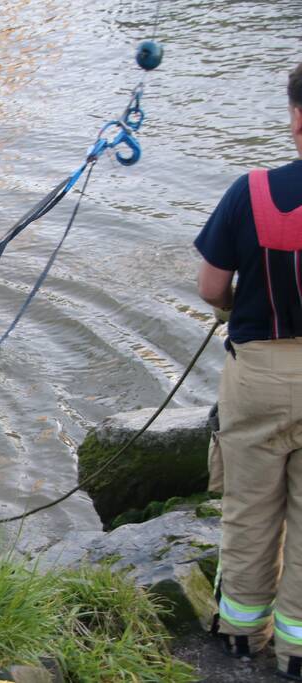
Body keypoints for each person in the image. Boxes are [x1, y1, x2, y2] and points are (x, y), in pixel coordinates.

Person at [195, 63, 302, 678]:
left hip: (258, 374)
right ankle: (295, 649)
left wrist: (244, 306)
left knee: (249, 508)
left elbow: (212, 286)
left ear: (295, 118)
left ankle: (239, 632)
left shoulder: (251, 191)